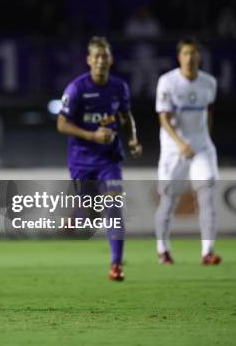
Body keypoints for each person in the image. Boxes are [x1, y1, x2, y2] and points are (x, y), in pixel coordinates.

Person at [57, 37, 142, 281]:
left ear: (111, 60)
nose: (101, 61)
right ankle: (79, 215)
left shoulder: (119, 87)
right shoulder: (76, 89)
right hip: (81, 161)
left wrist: (133, 139)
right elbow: (61, 124)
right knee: (93, 215)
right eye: (96, 56)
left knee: (114, 208)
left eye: (105, 56)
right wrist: (92, 135)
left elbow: (126, 117)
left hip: (109, 160)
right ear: (89, 60)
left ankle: (116, 264)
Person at [155, 38, 221, 265]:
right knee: (169, 199)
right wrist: (181, 143)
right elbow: (163, 118)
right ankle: (162, 248)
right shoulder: (167, 82)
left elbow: (208, 112)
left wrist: (204, 138)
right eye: (186, 53)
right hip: (174, 148)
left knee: (207, 195)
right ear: (179, 56)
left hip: (201, 146)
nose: (190, 58)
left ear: (199, 57)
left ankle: (207, 251)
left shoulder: (209, 82)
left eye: (194, 53)